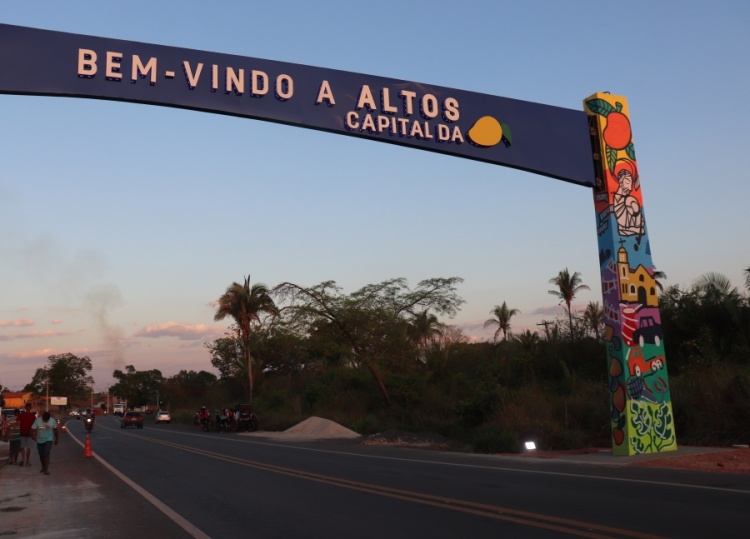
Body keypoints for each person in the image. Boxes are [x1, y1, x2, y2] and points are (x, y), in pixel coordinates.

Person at [31, 411, 59, 475]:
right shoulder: (37, 421)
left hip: (48, 439)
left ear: (49, 418)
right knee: (41, 455)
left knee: (46, 454)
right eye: (44, 419)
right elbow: (32, 430)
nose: (45, 421)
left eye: (47, 419)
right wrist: (33, 437)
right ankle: (43, 467)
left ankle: (46, 470)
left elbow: (55, 430)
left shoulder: (52, 421)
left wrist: (56, 439)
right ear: (42, 417)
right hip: (39, 440)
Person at [17, 402, 37, 467]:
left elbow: (17, 423)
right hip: (30, 434)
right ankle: (27, 462)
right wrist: (35, 435)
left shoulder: (22, 415)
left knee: (22, 447)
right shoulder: (32, 416)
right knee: (28, 448)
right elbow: (35, 426)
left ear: (25, 408)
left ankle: (23, 459)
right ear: (30, 408)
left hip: (22, 433)